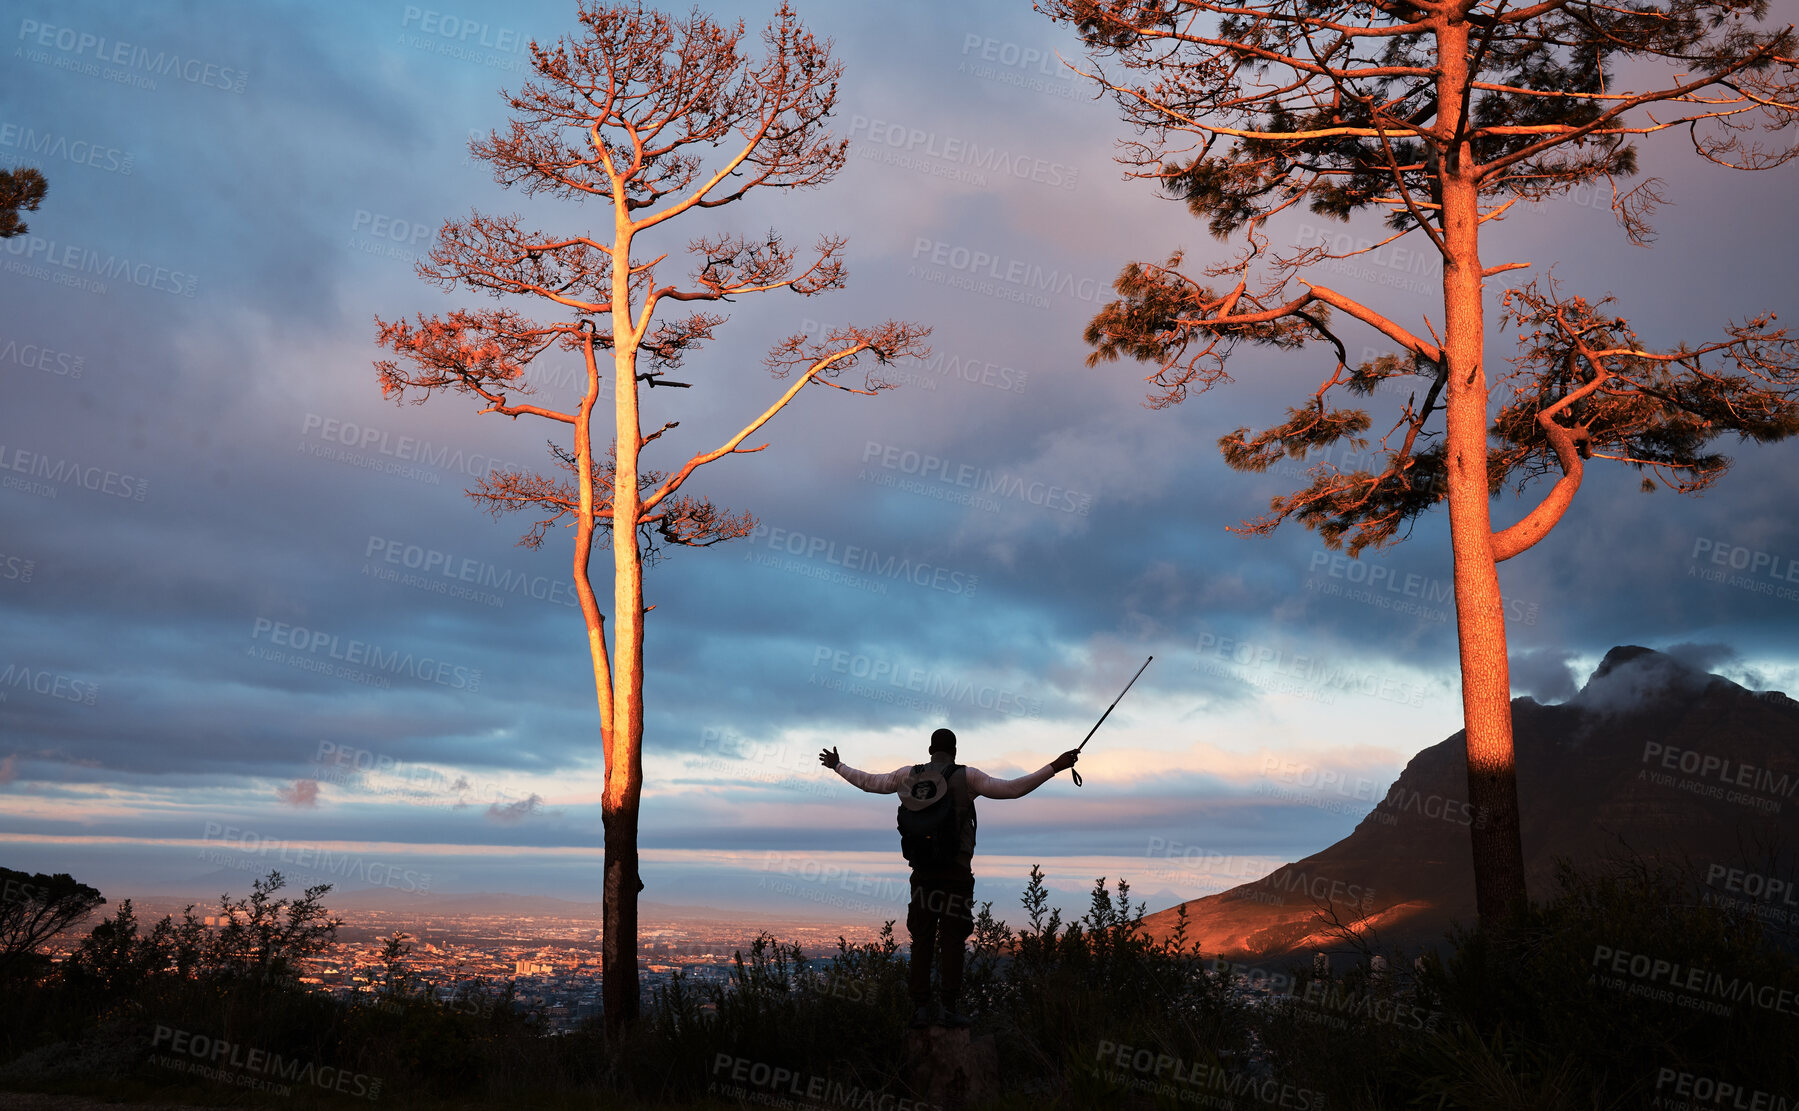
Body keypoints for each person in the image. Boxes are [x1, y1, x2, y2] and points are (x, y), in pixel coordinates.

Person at [819, 727, 1078, 1028]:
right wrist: (1055, 767)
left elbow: (870, 783)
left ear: (930, 750)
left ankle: (920, 1009)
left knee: (922, 939)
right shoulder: (967, 777)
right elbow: (1012, 789)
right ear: (954, 751)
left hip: (922, 874)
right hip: (956, 873)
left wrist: (838, 766)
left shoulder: (908, 775)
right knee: (953, 939)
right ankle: (949, 1008)